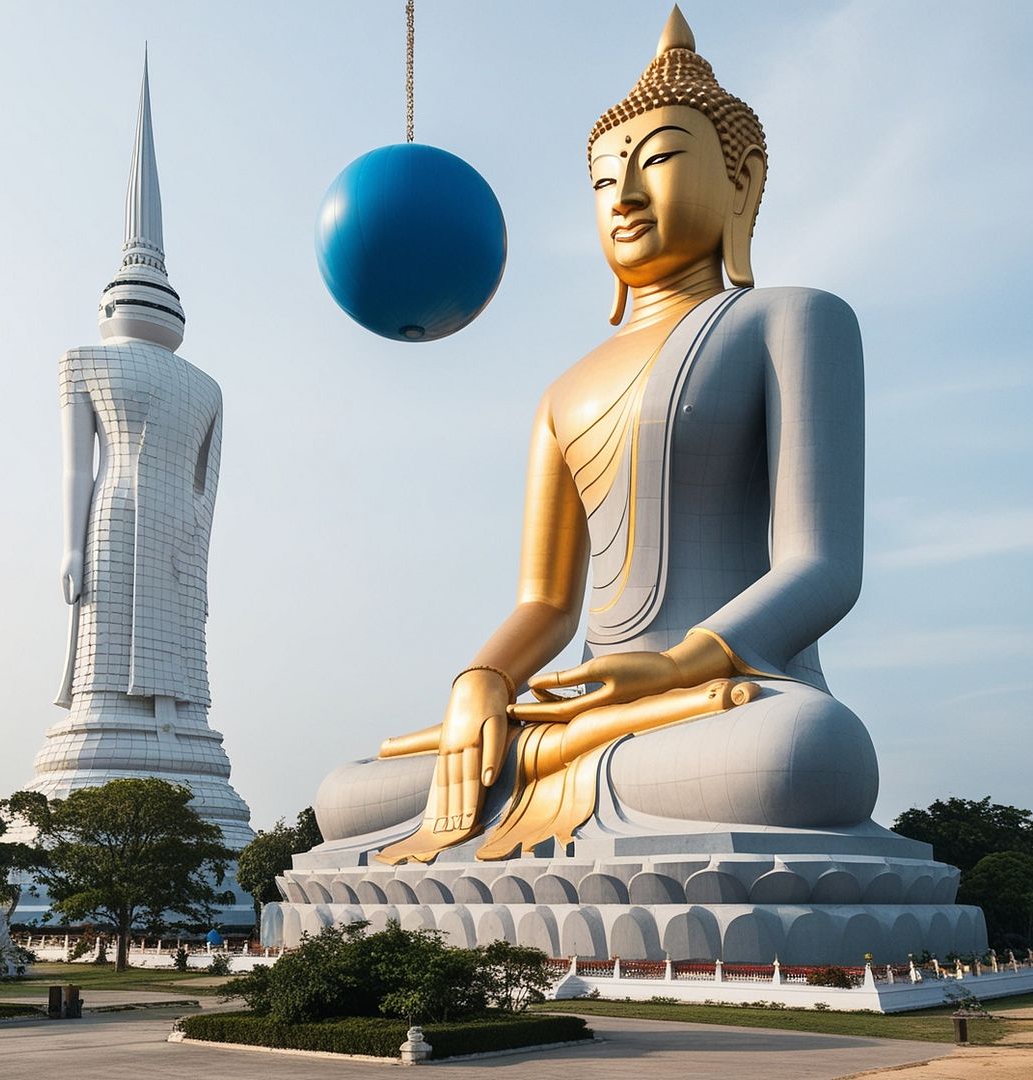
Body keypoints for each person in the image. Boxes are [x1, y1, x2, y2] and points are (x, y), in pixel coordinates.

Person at [316, 6, 878, 864]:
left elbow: (821, 567)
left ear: (742, 185)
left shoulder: (793, 321)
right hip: (585, 707)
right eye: (606, 176)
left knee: (813, 753)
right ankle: (534, 773)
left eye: (658, 163)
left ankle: (542, 788)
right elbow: (545, 606)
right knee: (347, 794)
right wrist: (484, 683)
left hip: (725, 698)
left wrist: (675, 667)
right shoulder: (565, 390)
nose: (625, 196)